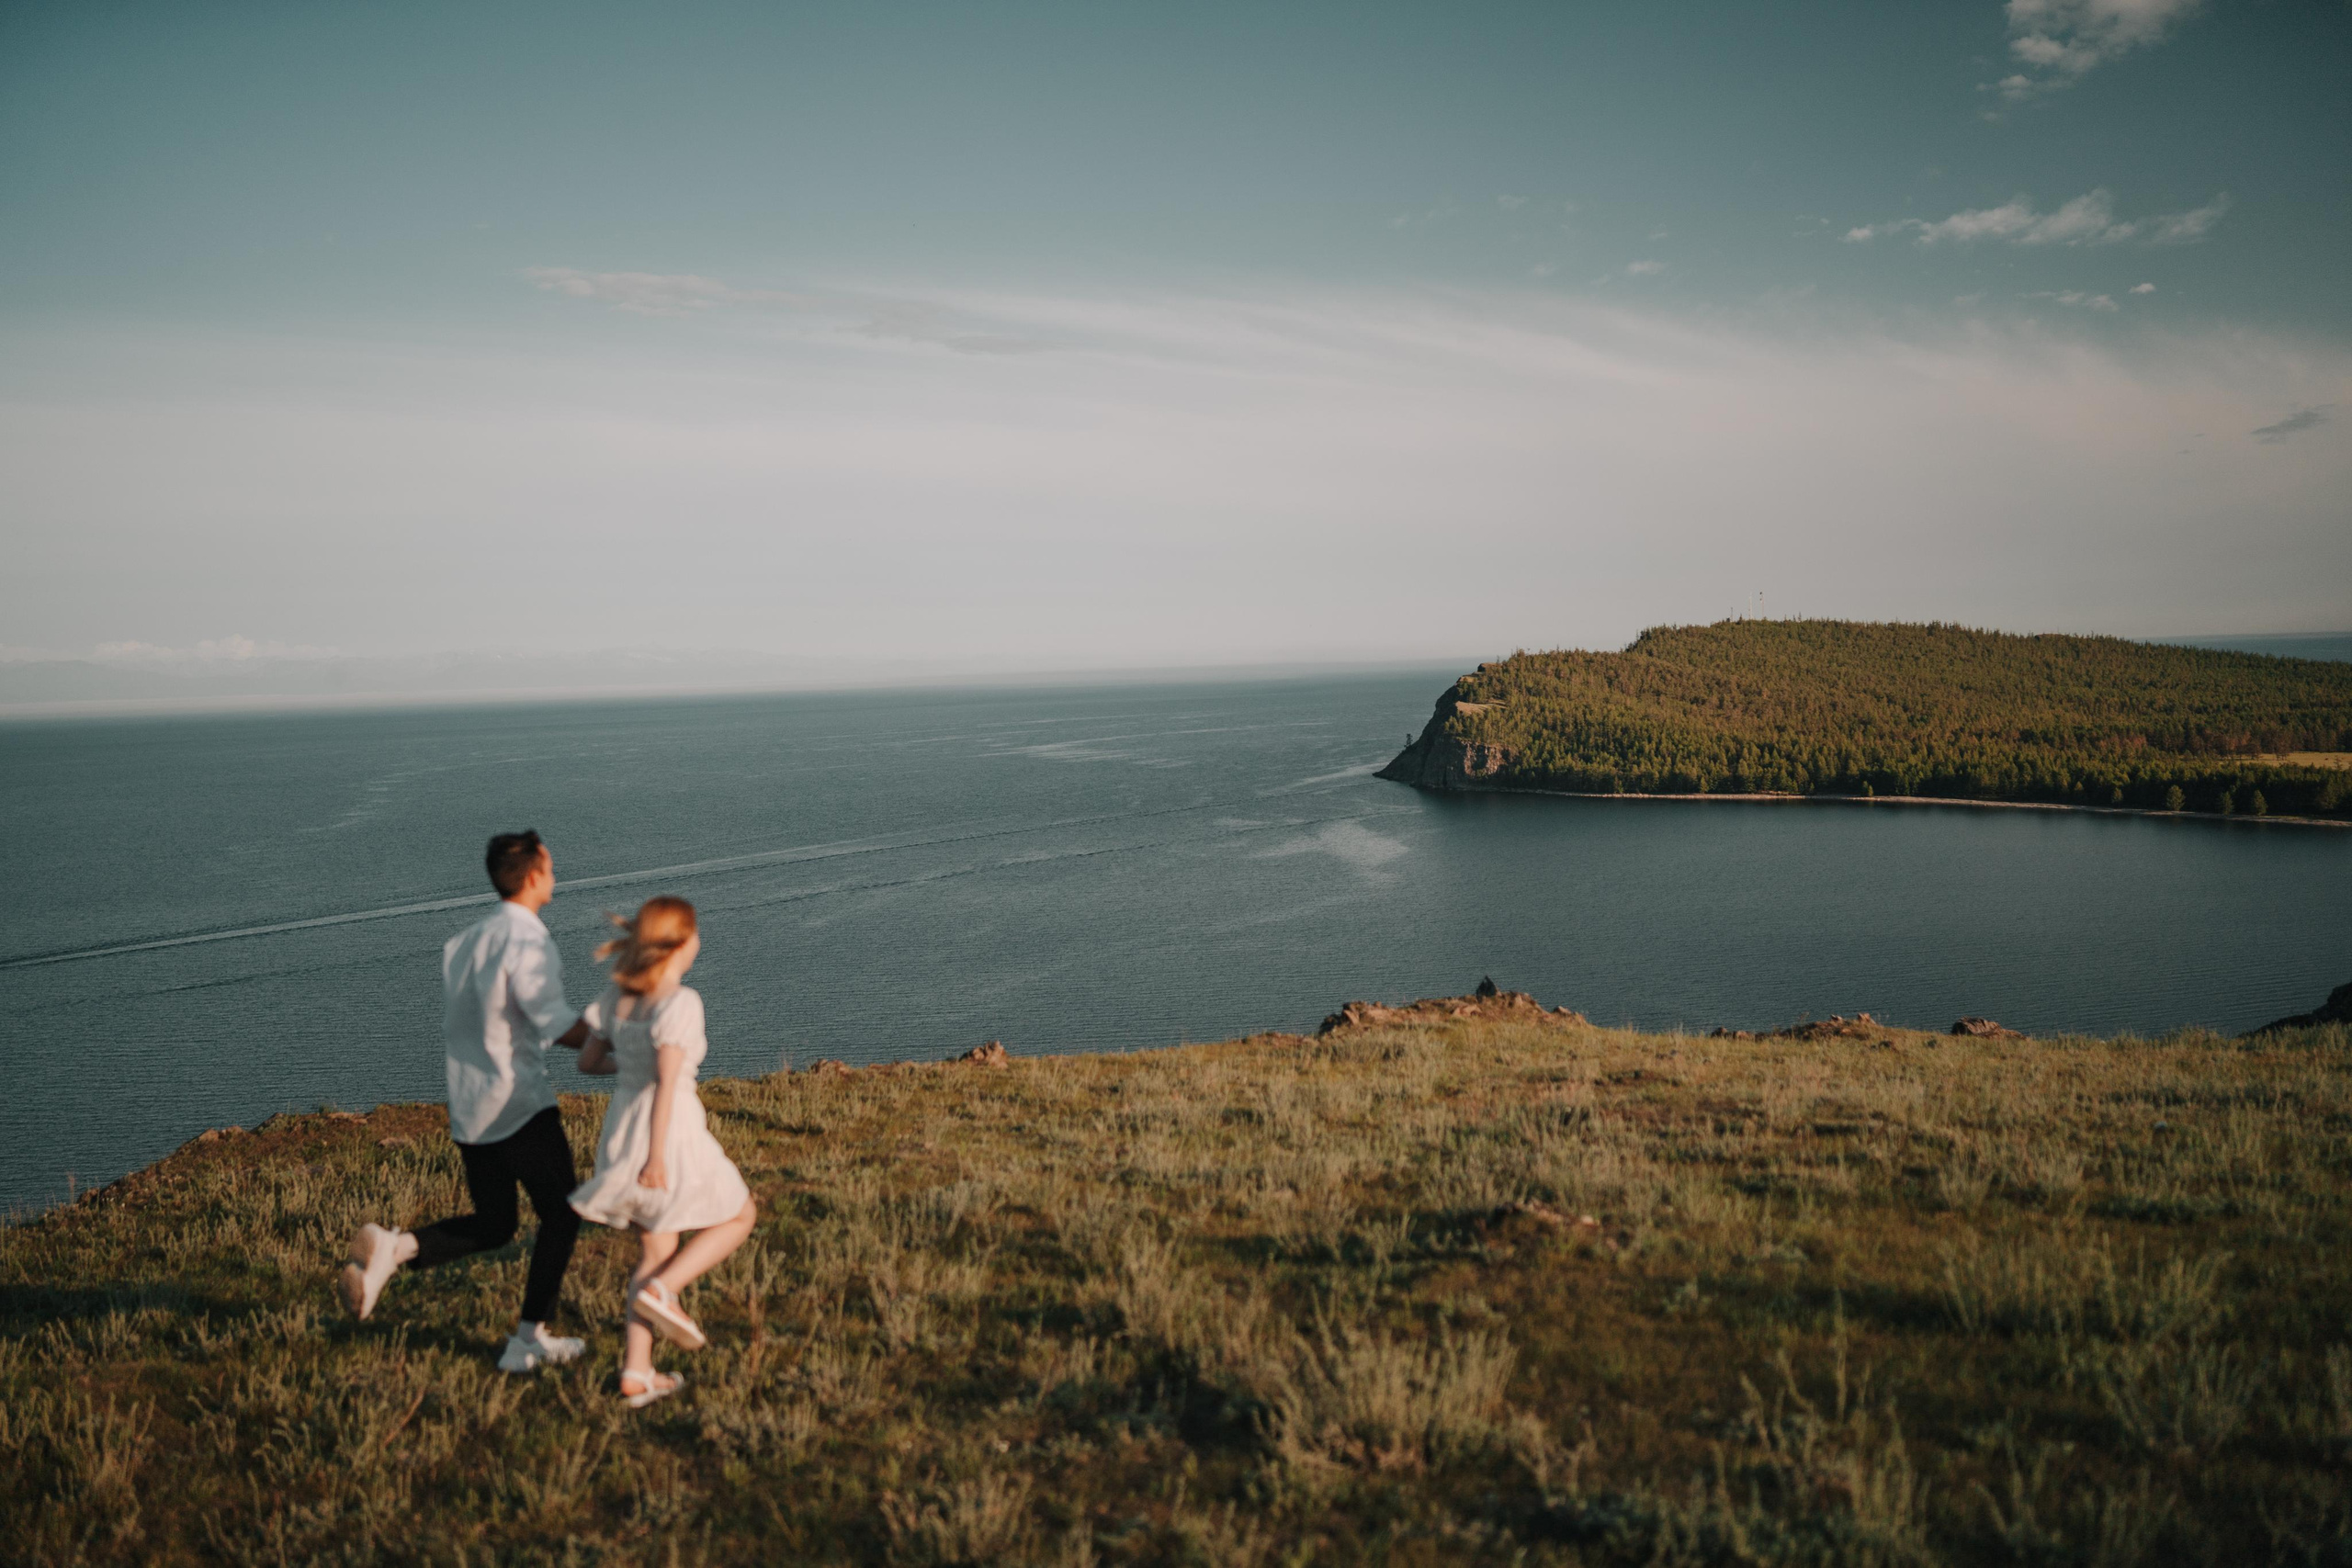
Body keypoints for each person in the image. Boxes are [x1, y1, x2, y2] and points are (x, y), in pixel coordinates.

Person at [338, 829, 594, 1374]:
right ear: (533, 874)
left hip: (470, 1108)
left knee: (497, 1223)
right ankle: (528, 1340)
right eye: (549, 863)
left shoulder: (462, 943)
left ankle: (397, 1248)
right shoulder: (527, 939)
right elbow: (552, 1020)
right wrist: (622, 1045)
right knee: (564, 1214)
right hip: (518, 1105)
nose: (554, 871)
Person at [568, 896, 756, 1408]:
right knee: (740, 1213)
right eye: (695, 932)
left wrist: (630, 1075)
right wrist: (658, 1156)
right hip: (668, 1131)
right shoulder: (680, 1002)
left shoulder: (616, 997)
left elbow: (586, 1064)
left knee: (653, 1249)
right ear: (679, 942)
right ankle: (664, 1292)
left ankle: (636, 1372)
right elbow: (669, 1085)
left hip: (621, 1126)